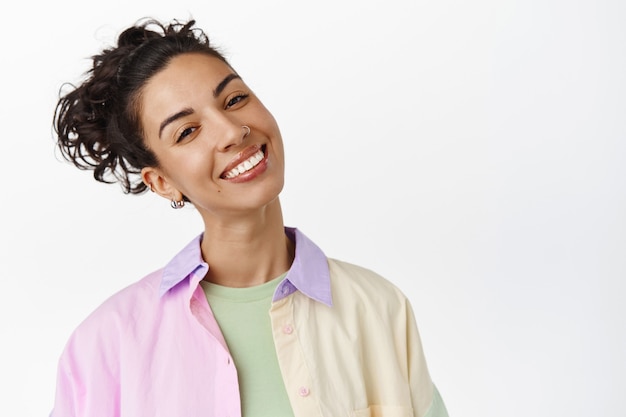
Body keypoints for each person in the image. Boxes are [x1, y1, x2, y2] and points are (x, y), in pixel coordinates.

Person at [50, 17, 449, 417]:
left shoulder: (378, 307)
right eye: (187, 131)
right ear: (162, 182)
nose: (231, 131)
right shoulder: (107, 342)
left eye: (235, 100)